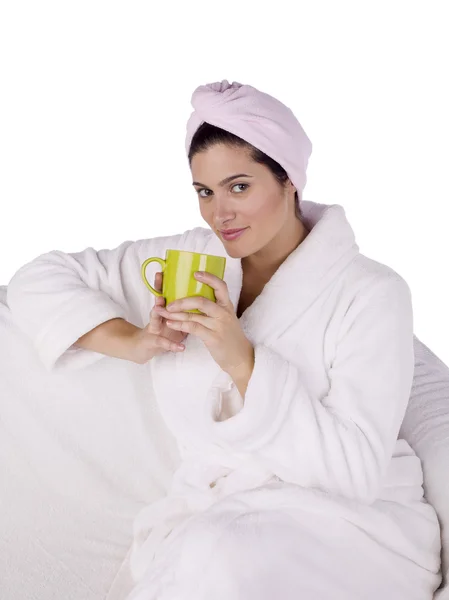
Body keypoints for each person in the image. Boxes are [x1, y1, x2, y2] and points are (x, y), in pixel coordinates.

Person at [5, 80, 443, 600]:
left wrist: (246, 365)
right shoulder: (191, 260)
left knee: (216, 559)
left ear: (290, 182)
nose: (220, 214)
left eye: (240, 187)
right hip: (213, 517)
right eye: (204, 192)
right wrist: (133, 341)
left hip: (351, 524)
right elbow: (38, 278)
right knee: (200, 560)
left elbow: (356, 471)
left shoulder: (372, 293)